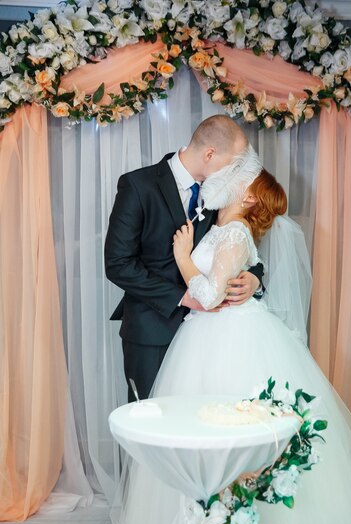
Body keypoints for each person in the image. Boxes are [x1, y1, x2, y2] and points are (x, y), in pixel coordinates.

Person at [115, 156, 351, 524]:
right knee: (207, 447)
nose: (221, 179)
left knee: (232, 445)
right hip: (207, 335)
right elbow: (229, 272)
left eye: (236, 178)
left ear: (247, 196)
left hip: (225, 337)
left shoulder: (232, 231)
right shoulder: (223, 226)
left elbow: (208, 295)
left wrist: (185, 256)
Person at [104, 115, 264, 401]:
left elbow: (236, 242)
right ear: (210, 154)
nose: (233, 173)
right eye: (232, 165)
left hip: (206, 338)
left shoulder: (220, 194)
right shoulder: (138, 186)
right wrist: (183, 297)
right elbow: (118, 264)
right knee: (150, 426)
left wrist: (255, 278)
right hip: (152, 331)